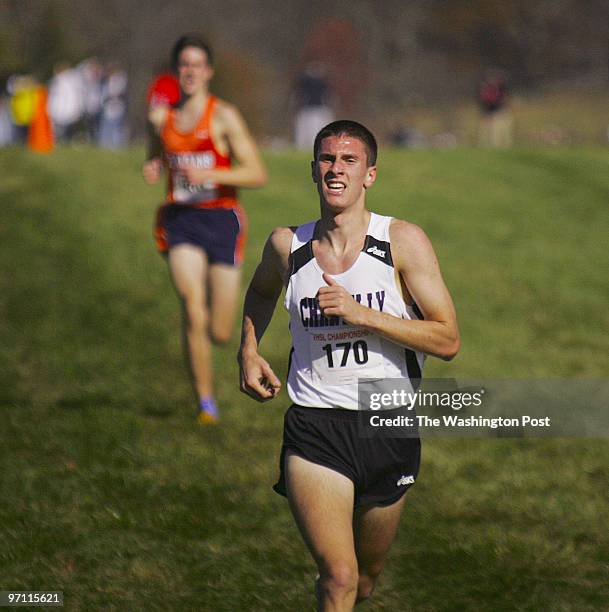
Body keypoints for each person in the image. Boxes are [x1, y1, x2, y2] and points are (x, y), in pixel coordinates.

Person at [238, 120, 459, 610]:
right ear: (313, 170)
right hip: (316, 426)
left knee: (364, 579)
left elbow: (447, 339)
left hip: (388, 424)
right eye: (326, 159)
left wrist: (363, 315)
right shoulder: (287, 247)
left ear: (370, 175)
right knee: (338, 577)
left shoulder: (401, 242)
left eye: (348, 160)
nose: (335, 169)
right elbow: (259, 292)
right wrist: (249, 349)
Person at [143, 35, 267, 423]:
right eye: (183, 63)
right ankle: (206, 404)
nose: (190, 71)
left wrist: (210, 171)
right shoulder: (161, 118)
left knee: (221, 331)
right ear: (176, 69)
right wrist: (153, 164)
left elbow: (257, 173)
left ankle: (214, 357)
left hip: (221, 220)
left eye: (197, 64)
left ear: (209, 71)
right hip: (181, 221)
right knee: (192, 309)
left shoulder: (223, 116)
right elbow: (155, 149)